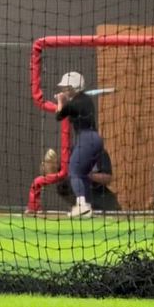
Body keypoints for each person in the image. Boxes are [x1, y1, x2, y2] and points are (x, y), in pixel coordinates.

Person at [53, 71, 103, 218]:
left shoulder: (73, 104)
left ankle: (81, 205)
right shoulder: (86, 100)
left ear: (73, 87)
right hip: (95, 139)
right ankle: (86, 206)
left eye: (66, 88)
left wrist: (60, 101)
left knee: (74, 172)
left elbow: (59, 115)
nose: (63, 90)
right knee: (83, 174)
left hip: (86, 139)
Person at [54, 148, 121, 211]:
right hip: (82, 199)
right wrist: (53, 169)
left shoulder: (100, 152)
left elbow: (108, 178)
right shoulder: (72, 152)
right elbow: (61, 175)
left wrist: (87, 174)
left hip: (101, 199)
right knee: (62, 186)